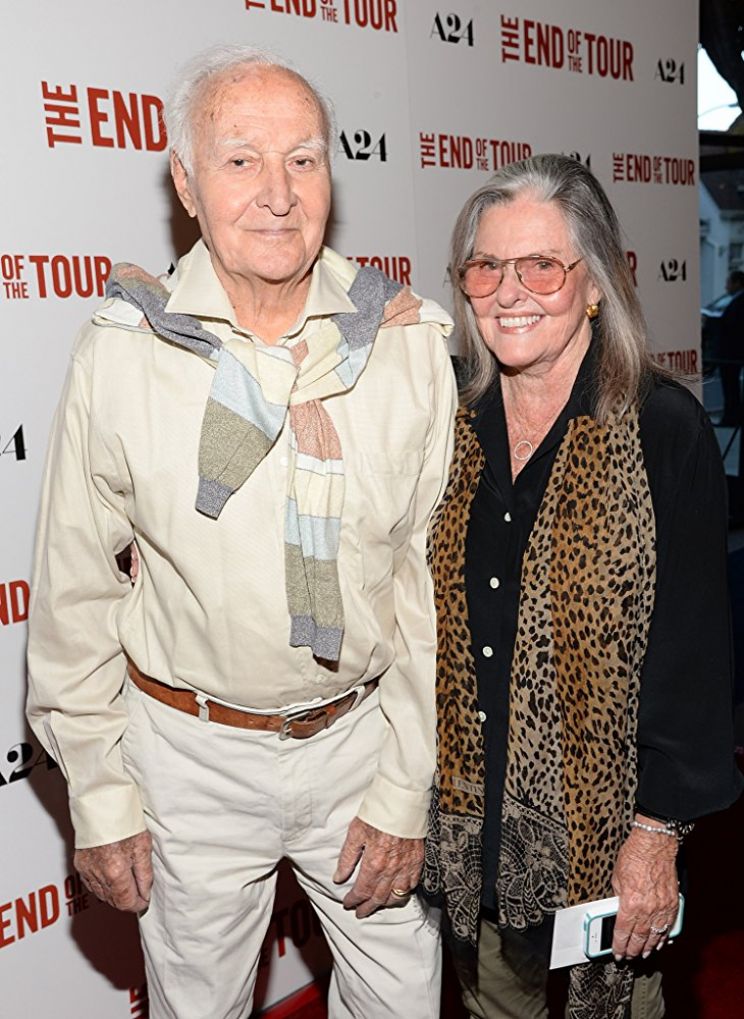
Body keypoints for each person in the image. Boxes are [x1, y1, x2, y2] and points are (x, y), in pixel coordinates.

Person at [26, 45, 457, 1019]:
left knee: (404, 1001)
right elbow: (76, 591)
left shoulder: (404, 344)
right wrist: (100, 793)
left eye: (303, 159)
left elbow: (427, 587)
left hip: (362, 742)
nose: (278, 193)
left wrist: (405, 783)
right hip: (189, 757)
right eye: (240, 160)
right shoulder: (124, 353)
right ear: (186, 183)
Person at [423, 154, 743, 1018]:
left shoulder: (661, 429)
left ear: (594, 284)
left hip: (610, 839)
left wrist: (656, 836)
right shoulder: (443, 419)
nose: (510, 292)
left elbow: (692, 662)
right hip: (473, 830)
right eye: (487, 266)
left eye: (542, 265)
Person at [718, 269, 744, 425]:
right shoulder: (735, 301)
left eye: (728, 282)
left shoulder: (739, 302)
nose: (726, 286)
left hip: (732, 352)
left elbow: (733, 326)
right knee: (731, 386)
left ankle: (732, 417)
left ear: (737, 283)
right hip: (733, 352)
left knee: (731, 386)